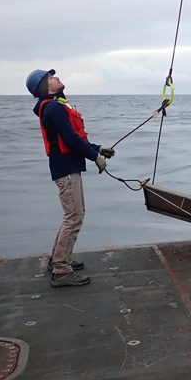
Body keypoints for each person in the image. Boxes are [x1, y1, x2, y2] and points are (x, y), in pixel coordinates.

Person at [27, 69, 115, 288]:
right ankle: (61, 269)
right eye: (51, 77)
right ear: (44, 87)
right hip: (66, 169)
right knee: (74, 217)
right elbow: (71, 139)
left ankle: (58, 258)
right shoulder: (54, 108)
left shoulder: (55, 106)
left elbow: (72, 139)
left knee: (74, 215)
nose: (57, 78)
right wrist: (95, 156)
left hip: (67, 167)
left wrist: (98, 148)